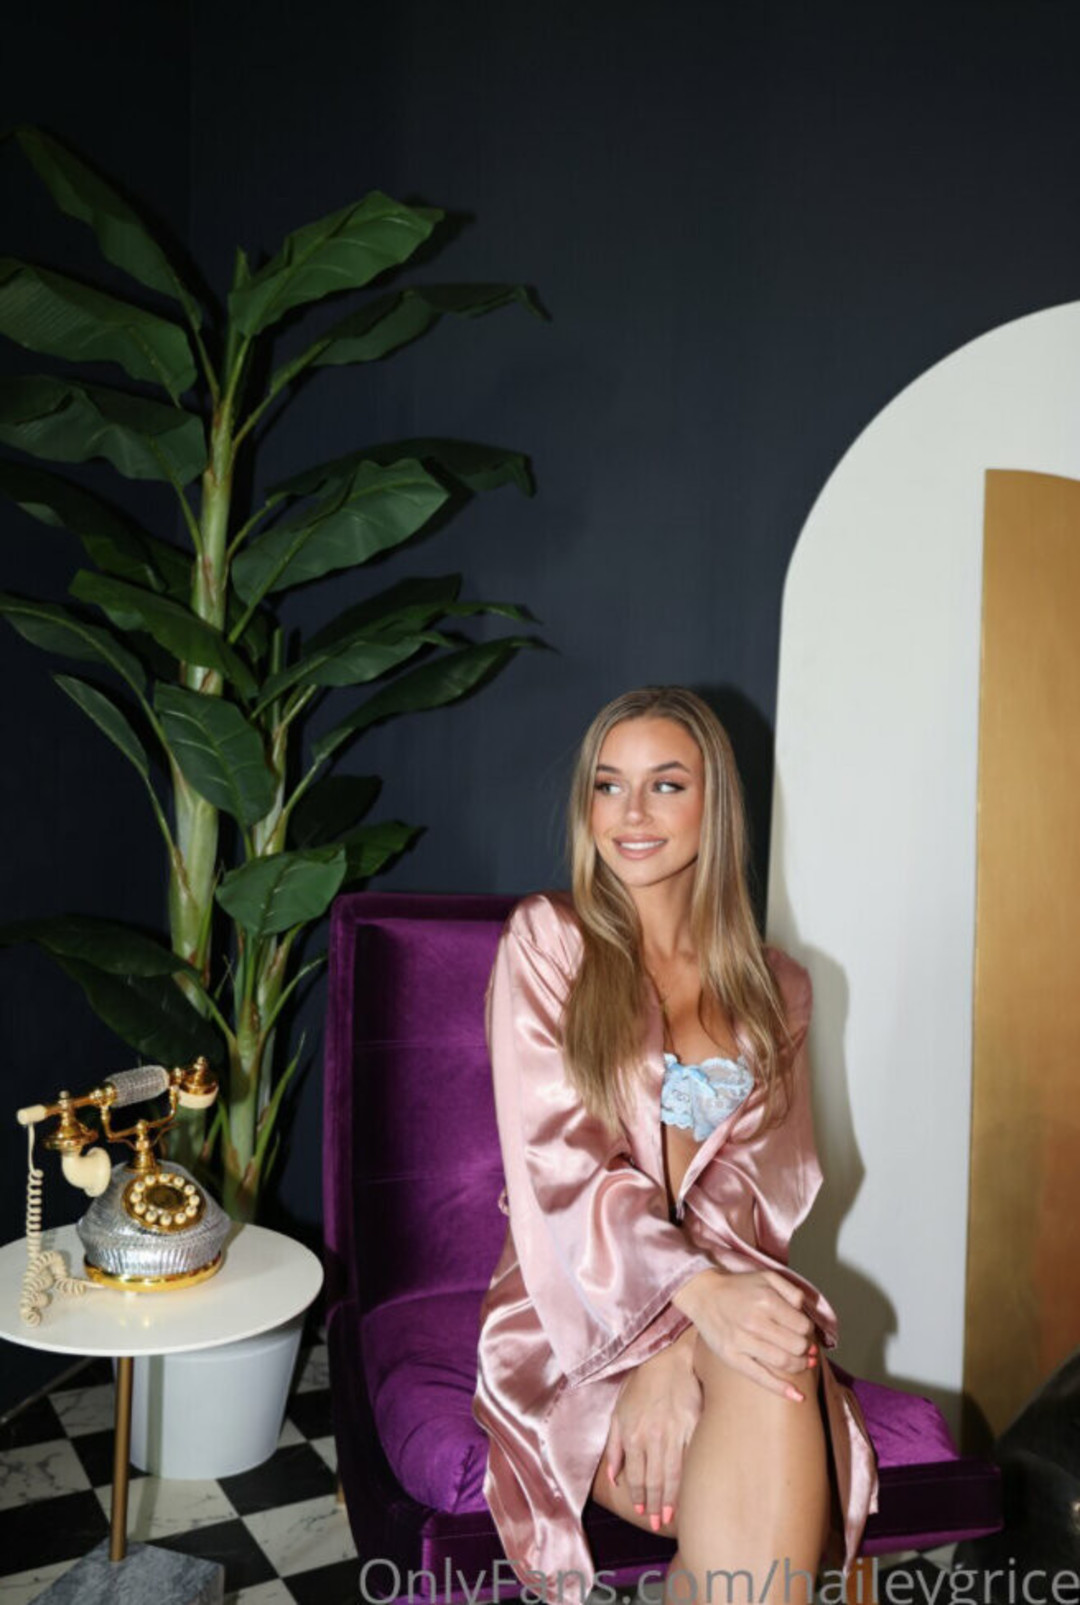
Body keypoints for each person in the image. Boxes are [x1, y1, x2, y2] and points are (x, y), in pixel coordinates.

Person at [471, 687, 878, 1605]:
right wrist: (678, 1322)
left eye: (665, 784)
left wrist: (685, 1343)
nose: (632, 813)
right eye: (608, 785)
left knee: (770, 1357)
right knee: (771, 1366)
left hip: (719, 1303)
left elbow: (752, 1191)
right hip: (571, 1313)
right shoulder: (549, 943)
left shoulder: (777, 987)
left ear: (713, 805)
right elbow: (564, 1172)